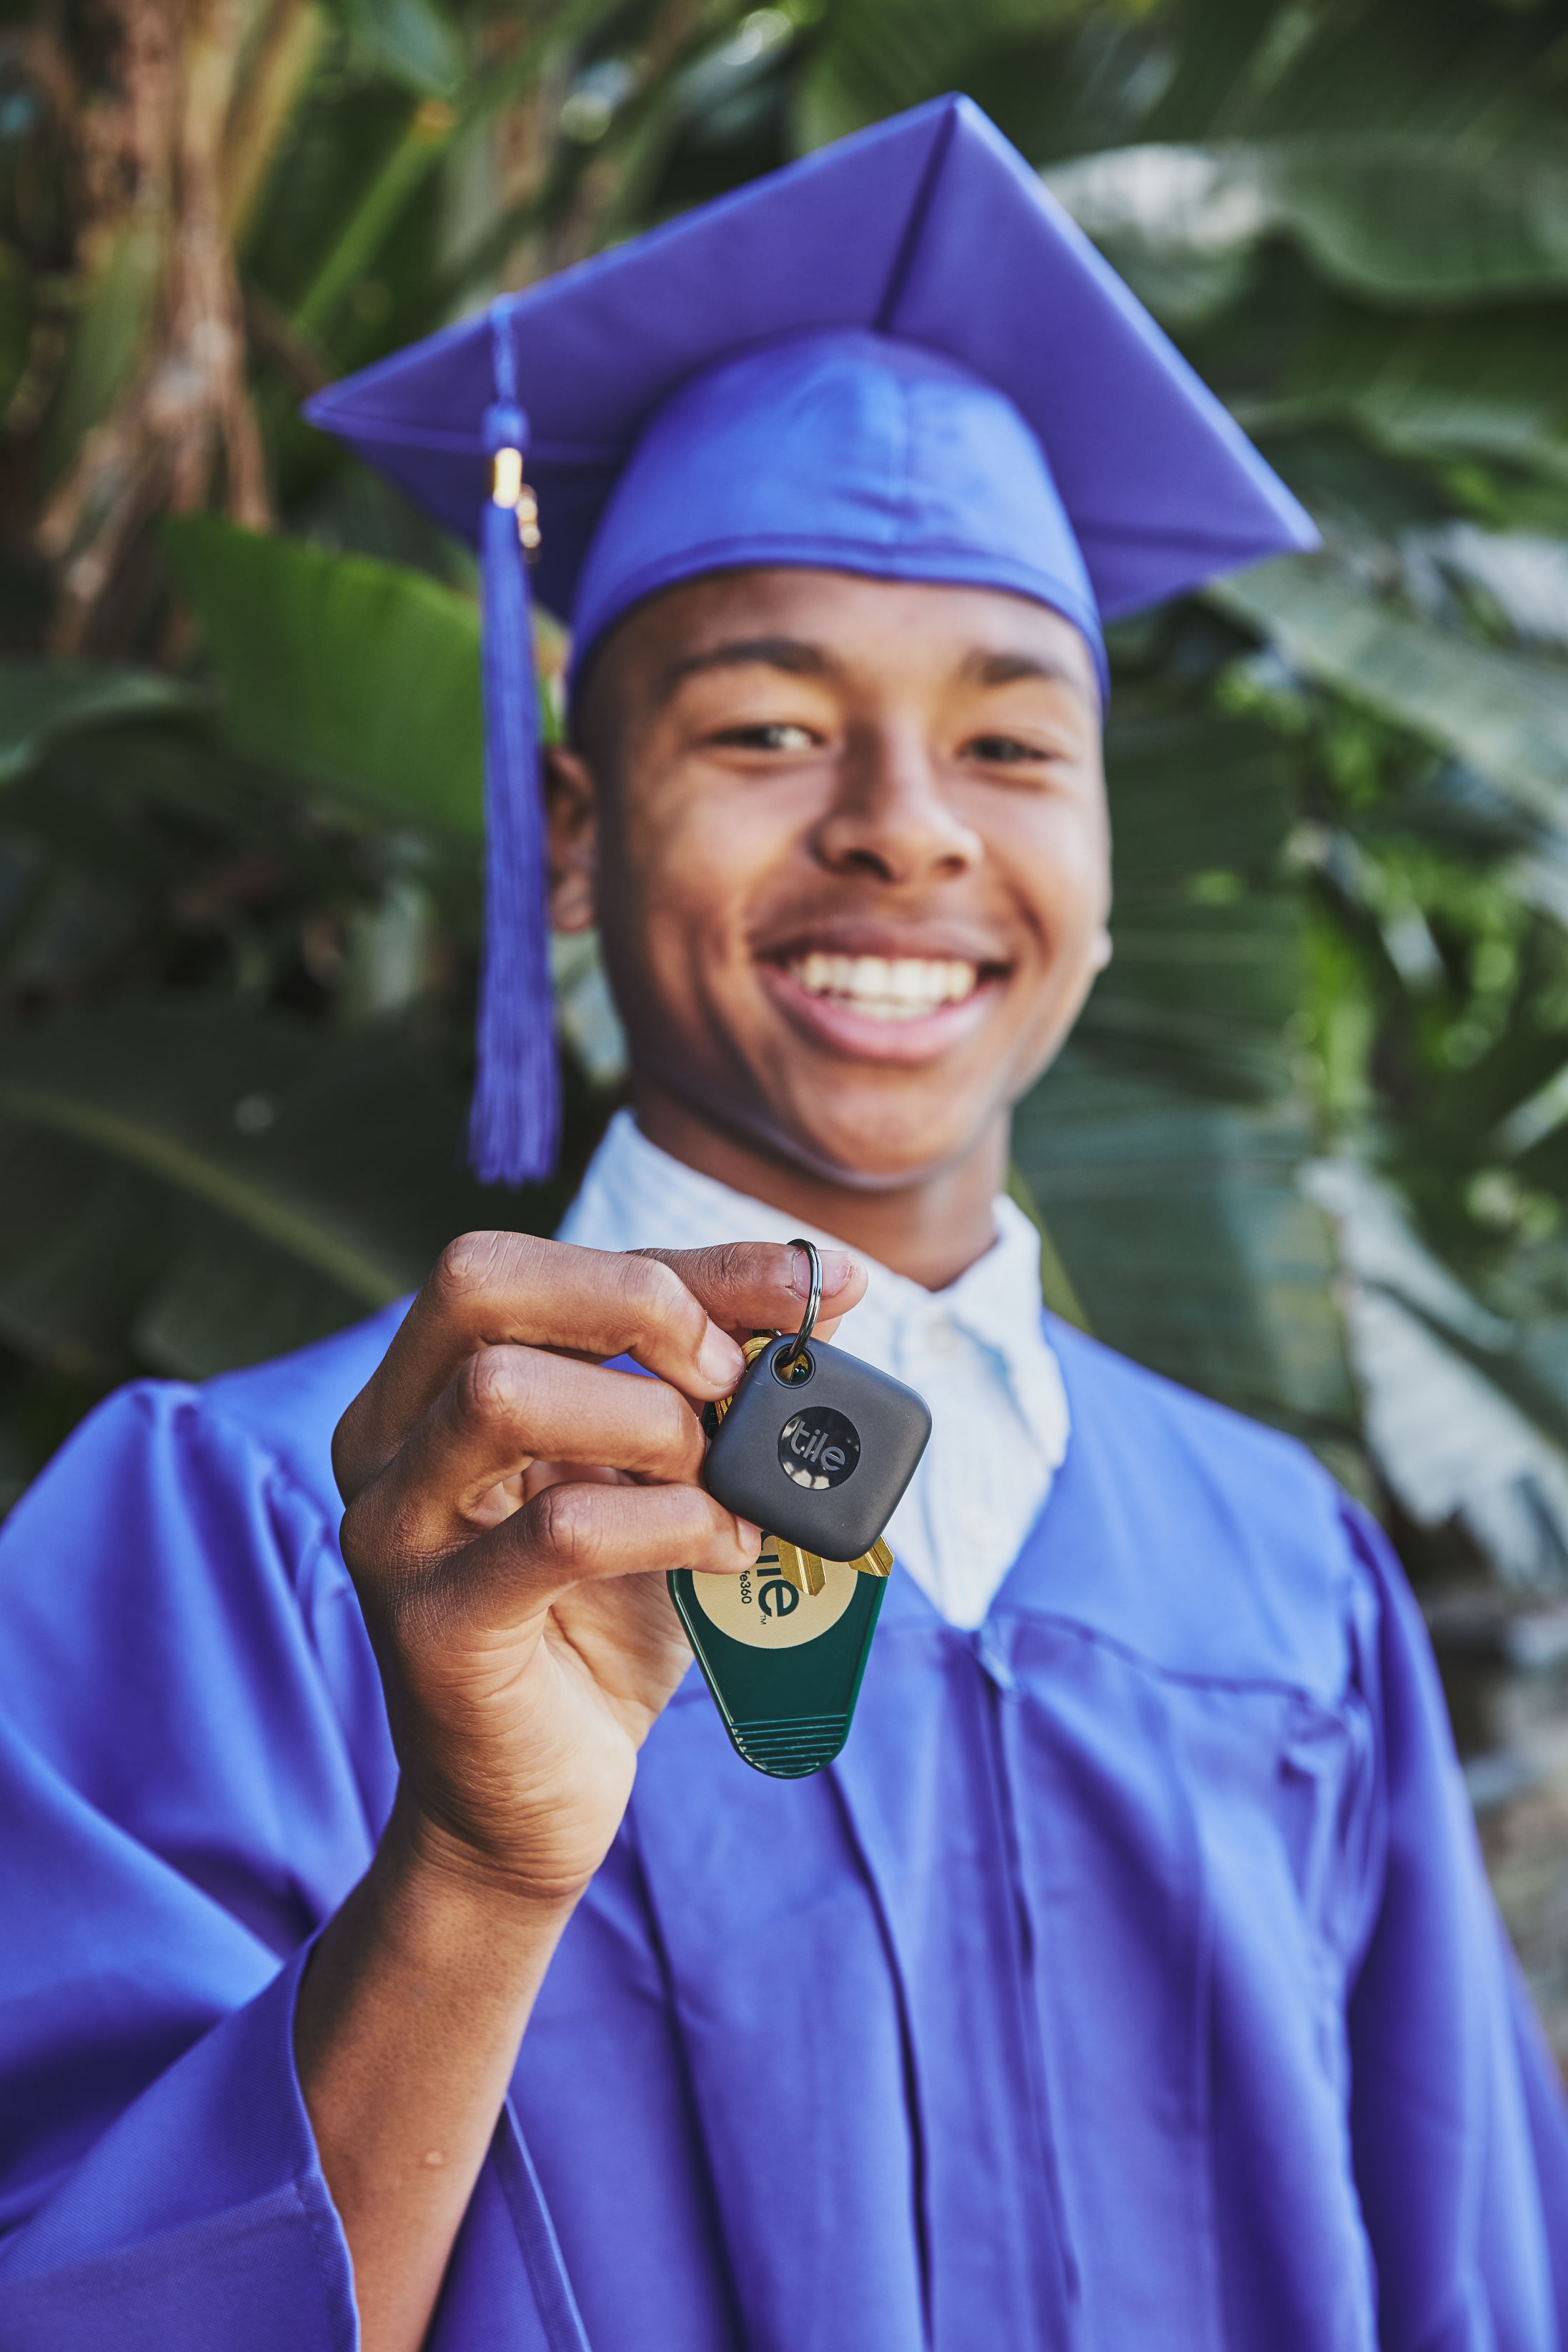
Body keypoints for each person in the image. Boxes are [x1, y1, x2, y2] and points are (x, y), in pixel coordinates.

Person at [1, 93, 1564, 2352]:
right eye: (762, 728)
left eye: (1013, 748)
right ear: (561, 833)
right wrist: (466, 1867)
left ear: (1106, 872)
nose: (904, 832)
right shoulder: (243, 1529)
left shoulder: (1281, 1582)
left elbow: (1475, 2289)